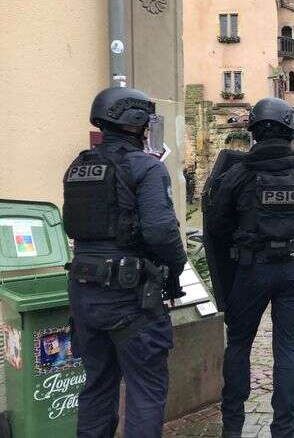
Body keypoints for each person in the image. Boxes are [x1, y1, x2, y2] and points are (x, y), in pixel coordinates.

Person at [63, 87, 187, 437]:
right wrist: (176, 266)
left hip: (84, 293)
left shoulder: (78, 167)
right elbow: (161, 231)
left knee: (97, 385)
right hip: (129, 298)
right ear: (136, 123)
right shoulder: (146, 167)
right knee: (145, 390)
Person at [206, 97, 294, 438]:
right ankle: (285, 429)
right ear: (292, 131)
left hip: (251, 271)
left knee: (239, 345)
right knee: (287, 348)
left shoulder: (237, 175)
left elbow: (215, 226)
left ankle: (232, 429)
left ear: (255, 133)